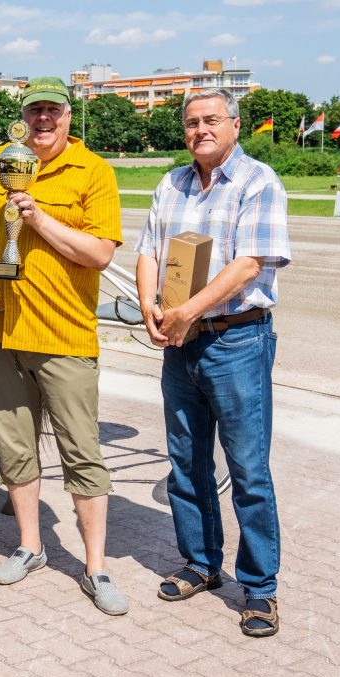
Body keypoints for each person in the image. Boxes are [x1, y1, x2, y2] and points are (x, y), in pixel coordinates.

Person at [0, 76, 126, 615]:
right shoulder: (5, 165)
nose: (44, 119)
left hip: (64, 338)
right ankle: (31, 547)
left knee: (82, 456)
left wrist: (40, 218)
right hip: (1, 337)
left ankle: (96, 567)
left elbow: (100, 254)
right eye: (35, 111)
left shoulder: (94, 172)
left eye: (53, 112)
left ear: (68, 117)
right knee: (16, 453)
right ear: (24, 117)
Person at [135, 88, 291, 637]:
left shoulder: (257, 181)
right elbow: (149, 249)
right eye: (192, 122)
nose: (201, 129)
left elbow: (249, 265)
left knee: (248, 471)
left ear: (234, 124)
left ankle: (260, 589)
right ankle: (201, 563)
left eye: (212, 120)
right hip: (180, 345)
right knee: (186, 462)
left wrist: (187, 314)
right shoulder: (172, 182)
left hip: (236, 342)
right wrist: (150, 305)